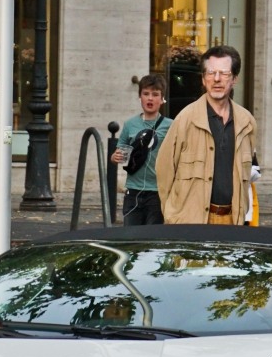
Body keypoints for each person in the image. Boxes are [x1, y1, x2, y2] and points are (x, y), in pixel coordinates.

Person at [155, 45, 257, 225]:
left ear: (234, 79)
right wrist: (172, 214)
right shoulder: (186, 119)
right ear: (203, 79)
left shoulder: (247, 122)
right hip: (190, 222)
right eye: (211, 73)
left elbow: (247, 176)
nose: (216, 79)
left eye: (224, 74)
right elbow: (164, 170)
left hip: (232, 221)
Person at [110, 74, 171, 225]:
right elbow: (118, 154)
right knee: (131, 239)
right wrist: (114, 157)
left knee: (152, 240)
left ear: (162, 99)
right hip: (133, 192)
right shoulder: (130, 124)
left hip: (157, 192)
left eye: (155, 94)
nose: (150, 98)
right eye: (146, 94)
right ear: (140, 97)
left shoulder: (170, 125)